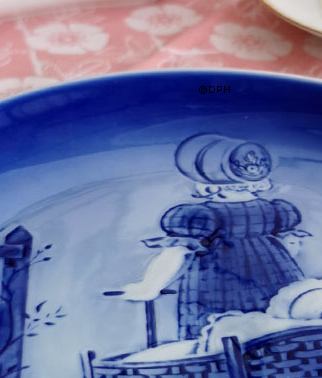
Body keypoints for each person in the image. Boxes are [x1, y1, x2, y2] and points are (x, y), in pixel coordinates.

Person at [121, 132, 307, 339]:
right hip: (277, 279)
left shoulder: (202, 216)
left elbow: (176, 254)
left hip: (219, 284)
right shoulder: (274, 210)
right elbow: (290, 246)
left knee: (220, 334)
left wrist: (150, 286)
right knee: (281, 330)